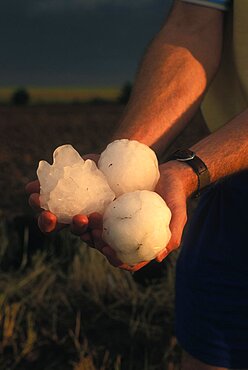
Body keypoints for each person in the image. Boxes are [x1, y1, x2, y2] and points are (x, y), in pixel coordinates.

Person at [26, 0, 248, 368]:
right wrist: (124, 159)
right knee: (213, 348)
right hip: (230, 186)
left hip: (217, 162)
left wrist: (192, 167)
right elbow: (193, 27)